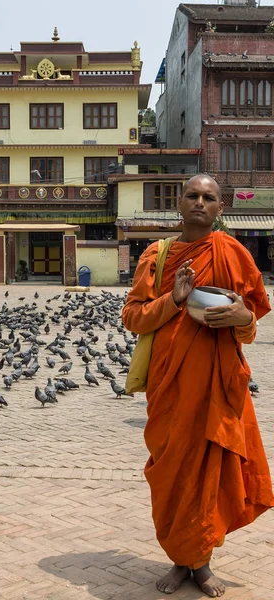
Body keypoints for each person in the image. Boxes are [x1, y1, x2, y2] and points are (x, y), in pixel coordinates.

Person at [122, 174, 273, 598]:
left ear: (220, 208)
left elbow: (251, 323)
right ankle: (179, 558)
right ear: (180, 203)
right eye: (193, 195)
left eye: (209, 197)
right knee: (173, 473)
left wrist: (243, 319)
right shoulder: (157, 254)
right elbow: (133, 317)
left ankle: (200, 563)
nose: (200, 203)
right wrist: (174, 299)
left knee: (210, 473)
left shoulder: (233, 254)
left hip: (218, 388)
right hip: (170, 387)